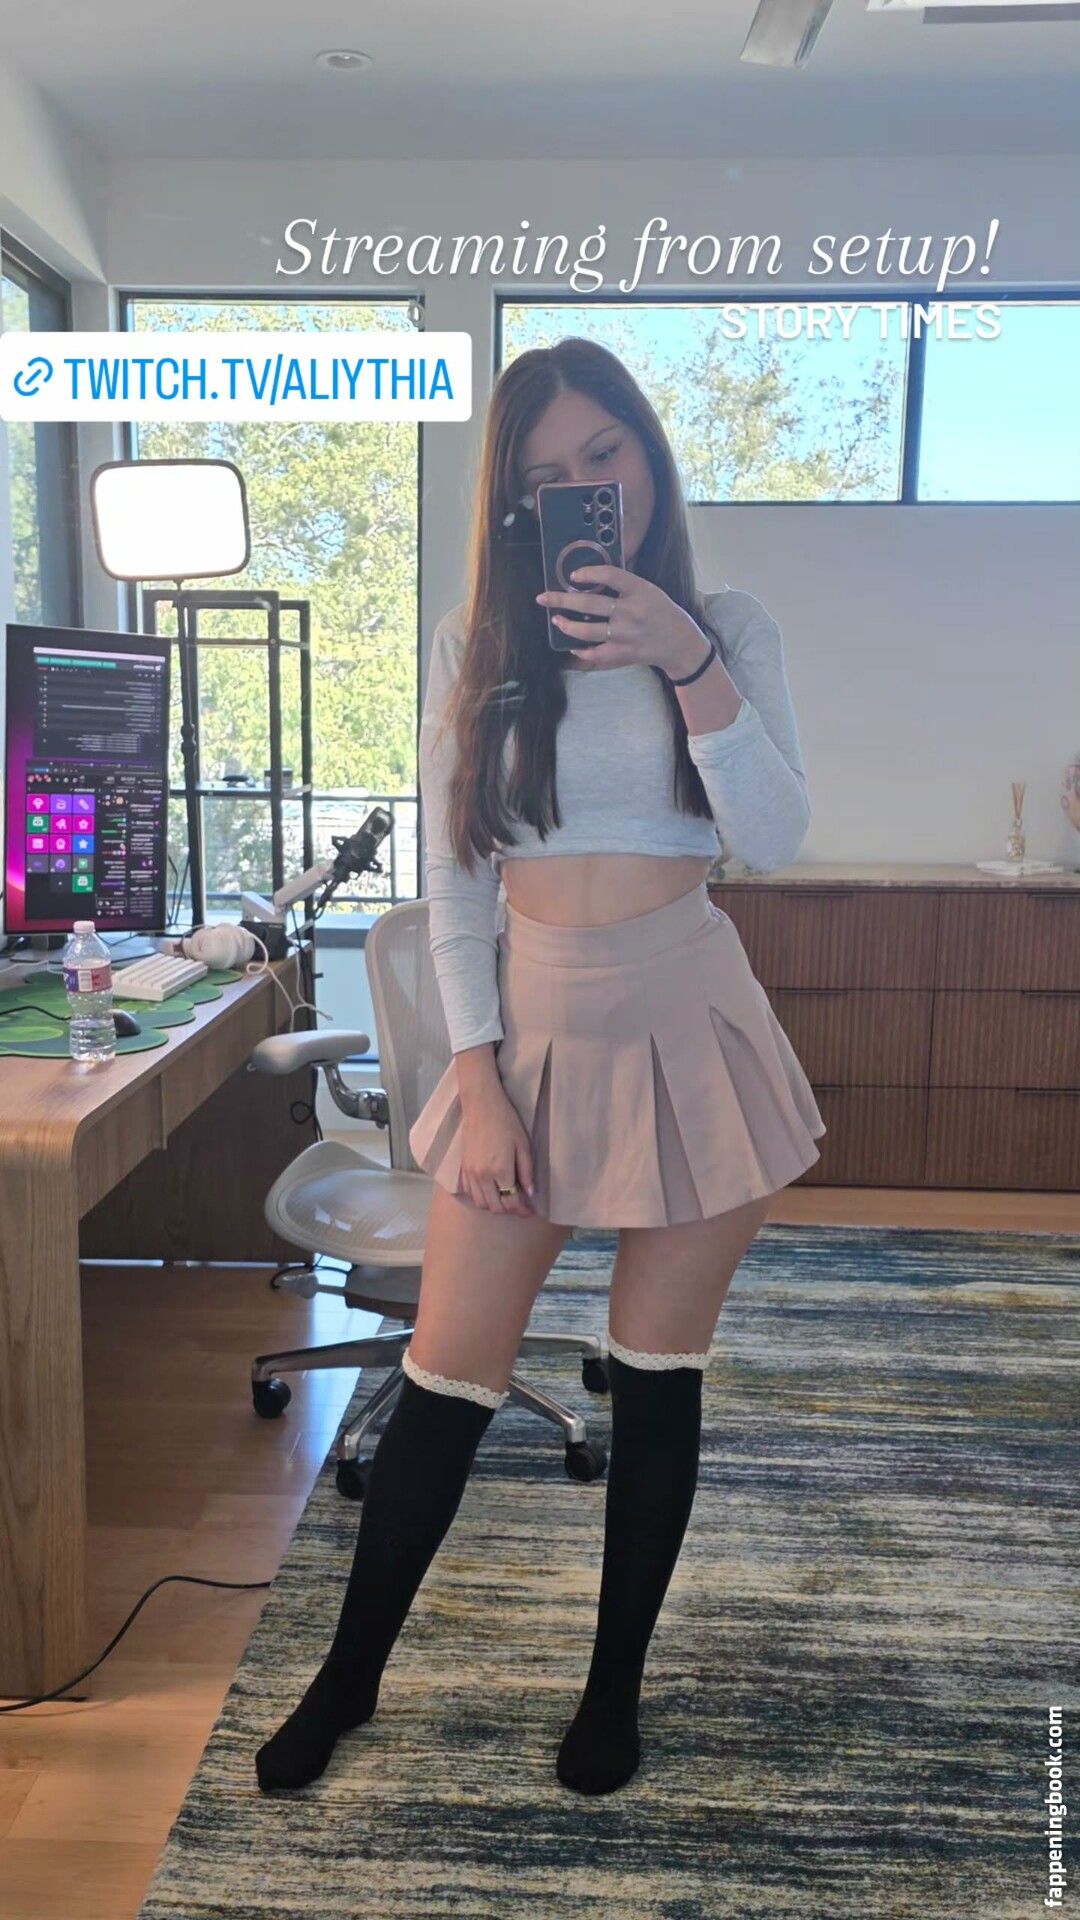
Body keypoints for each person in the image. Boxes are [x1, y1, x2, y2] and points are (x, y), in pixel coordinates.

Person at [256, 336, 826, 1799]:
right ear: (516, 504)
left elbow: (772, 837)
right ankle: (347, 1677)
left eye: (605, 456)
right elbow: (456, 886)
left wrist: (685, 657)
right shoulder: (480, 644)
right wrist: (479, 1075)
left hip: (693, 1019)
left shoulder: (728, 626)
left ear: (649, 458)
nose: (586, 490)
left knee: (657, 1376)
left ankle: (612, 1694)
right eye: (548, 476)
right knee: (448, 1376)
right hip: (532, 1030)